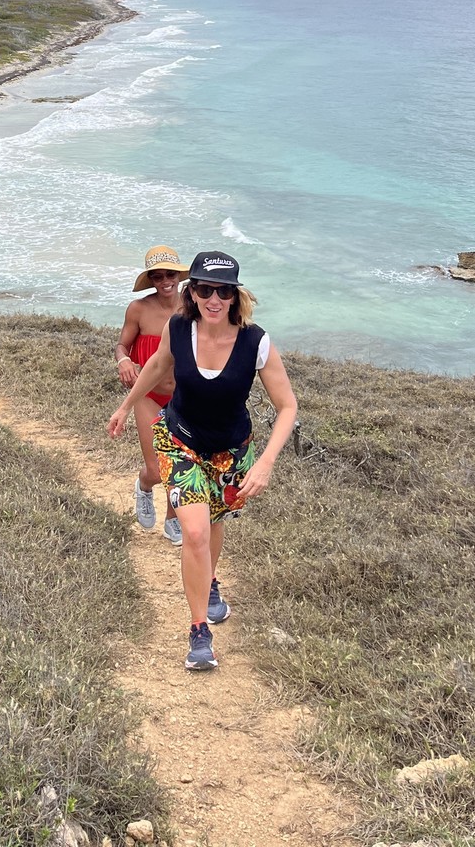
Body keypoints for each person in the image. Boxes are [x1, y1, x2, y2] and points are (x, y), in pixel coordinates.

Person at [108, 250, 298, 672]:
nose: (215, 299)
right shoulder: (179, 328)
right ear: (192, 292)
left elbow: (287, 406)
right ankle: (199, 632)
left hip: (231, 452)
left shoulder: (255, 341)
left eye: (224, 291)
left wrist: (265, 463)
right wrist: (125, 407)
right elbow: (157, 365)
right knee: (193, 532)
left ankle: (210, 581)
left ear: (235, 295)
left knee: (212, 522)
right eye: (206, 290)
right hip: (181, 442)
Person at [114, 246, 190, 544]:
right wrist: (124, 360)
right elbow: (122, 345)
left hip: (185, 397)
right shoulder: (138, 309)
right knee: (157, 470)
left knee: (180, 465)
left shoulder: (194, 306)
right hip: (147, 394)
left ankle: (173, 520)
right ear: (151, 280)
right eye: (157, 276)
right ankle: (144, 487)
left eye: (170, 274)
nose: (165, 281)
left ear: (179, 276)